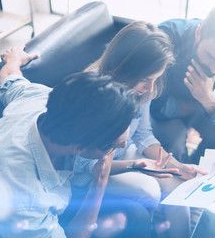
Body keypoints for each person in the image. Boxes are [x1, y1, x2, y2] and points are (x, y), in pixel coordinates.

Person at [0, 46, 147, 238]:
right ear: (79, 147)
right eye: (112, 146)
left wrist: (13, 59)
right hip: (14, 226)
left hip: (57, 200)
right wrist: (100, 183)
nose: (123, 146)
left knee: (135, 214)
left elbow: (9, 81)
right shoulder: (25, 198)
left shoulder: (40, 99)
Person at [76, 21, 207, 238]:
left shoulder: (141, 88)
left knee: (177, 186)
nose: (151, 89)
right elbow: (83, 164)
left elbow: (143, 134)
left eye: (155, 79)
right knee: (149, 190)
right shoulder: (91, 92)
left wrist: (176, 165)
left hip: (123, 153)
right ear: (123, 67)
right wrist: (136, 166)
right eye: (146, 80)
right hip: (92, 169)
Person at [150, 4, 215, 165]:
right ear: (198, 33)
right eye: (210, 56)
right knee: (173, 139)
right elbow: (157, 108)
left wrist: (208, 100)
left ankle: (202, 181)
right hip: (164, 112)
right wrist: (202, 102)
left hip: (201, 108)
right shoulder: (167, 36)